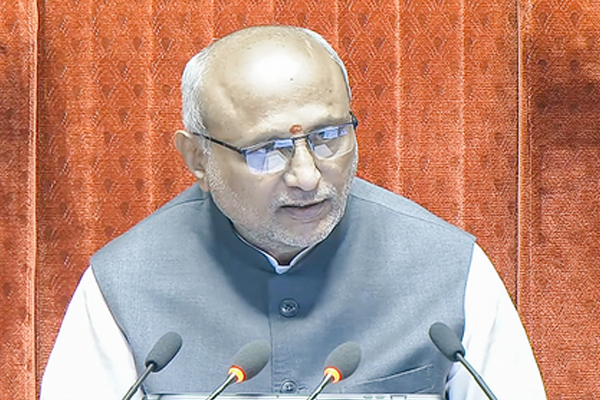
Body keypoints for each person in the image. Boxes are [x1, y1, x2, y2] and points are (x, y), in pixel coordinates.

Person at [40, 25, 547, 400]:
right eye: (266, 150)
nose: (306, 176)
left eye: (329, 137)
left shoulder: (449, 268)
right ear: (196, 158)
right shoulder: (125, 283)